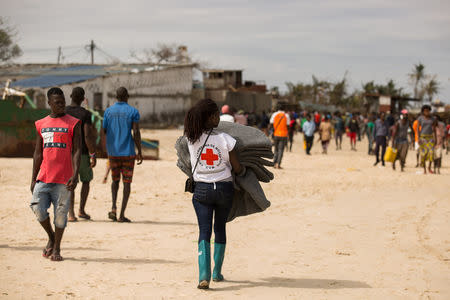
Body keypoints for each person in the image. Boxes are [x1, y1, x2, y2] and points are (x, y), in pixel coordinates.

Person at [184, 99, 243, 289]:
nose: (219, 117)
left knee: (204, 231)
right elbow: (237, 167)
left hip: (201, 190)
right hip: (224, 189)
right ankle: (217, 272)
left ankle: (204, 275)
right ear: (209, 117)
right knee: (220, 229)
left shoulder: (191, 138)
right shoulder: (226, 139)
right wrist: (242, 172)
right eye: (216, 114)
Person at [30, 87, 81, 261]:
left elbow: (77, 150)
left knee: (61, 215)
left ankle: (57, 249)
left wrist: (75, 175)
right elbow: (38, 153)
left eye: (63, 102)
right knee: (37, 207)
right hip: (44, 177)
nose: (61, 105)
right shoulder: (41, 124)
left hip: (64, 178)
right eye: (57, 103)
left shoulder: (73, 123)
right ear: (49, 103)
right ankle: (51, 237)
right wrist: (33, 178)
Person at [103, 87, 143, 222]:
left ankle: (113, 207)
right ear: (128, 96)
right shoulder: (133, 111)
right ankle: (121, 214)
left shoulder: (108, 112)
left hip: (113, 152)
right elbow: (136, 132)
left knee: (115, 181)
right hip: (128, 153)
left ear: (116, 96)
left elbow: (104, 130)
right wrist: (140, 151)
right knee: (127, 183)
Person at [65, 87, 97, 221]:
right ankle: (81, 210)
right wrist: (92, 153)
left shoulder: (64, 112)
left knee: (71, 182)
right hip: (82, 153)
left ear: (71, 96)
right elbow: (88, 135)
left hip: (66, 152)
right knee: (86, 181)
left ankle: (70, 213)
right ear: (83, 99)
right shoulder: (85, 114)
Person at [270, 103, 290, 168]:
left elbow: (271, 124)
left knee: (276, 149)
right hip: (283, 135)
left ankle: (274, 163)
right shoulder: (286, 115)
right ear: (284, 109)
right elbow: (288, 125)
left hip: (276, 134)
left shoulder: (274, 114)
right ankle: (278, 164)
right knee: (281, 150)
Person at [418, 105, 436, 174]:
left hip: (430, 137)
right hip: (423, 138)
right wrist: (418, 137)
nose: (427, 112)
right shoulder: (420, 118)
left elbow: (434, 129)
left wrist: (435, 138)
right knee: (423, 154)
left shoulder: (433, 119)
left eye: (428, 111)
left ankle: (429, 167)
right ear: (423, 111)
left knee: (431, 153)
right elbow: (417, 128)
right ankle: (424, 169)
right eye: (425, 111)